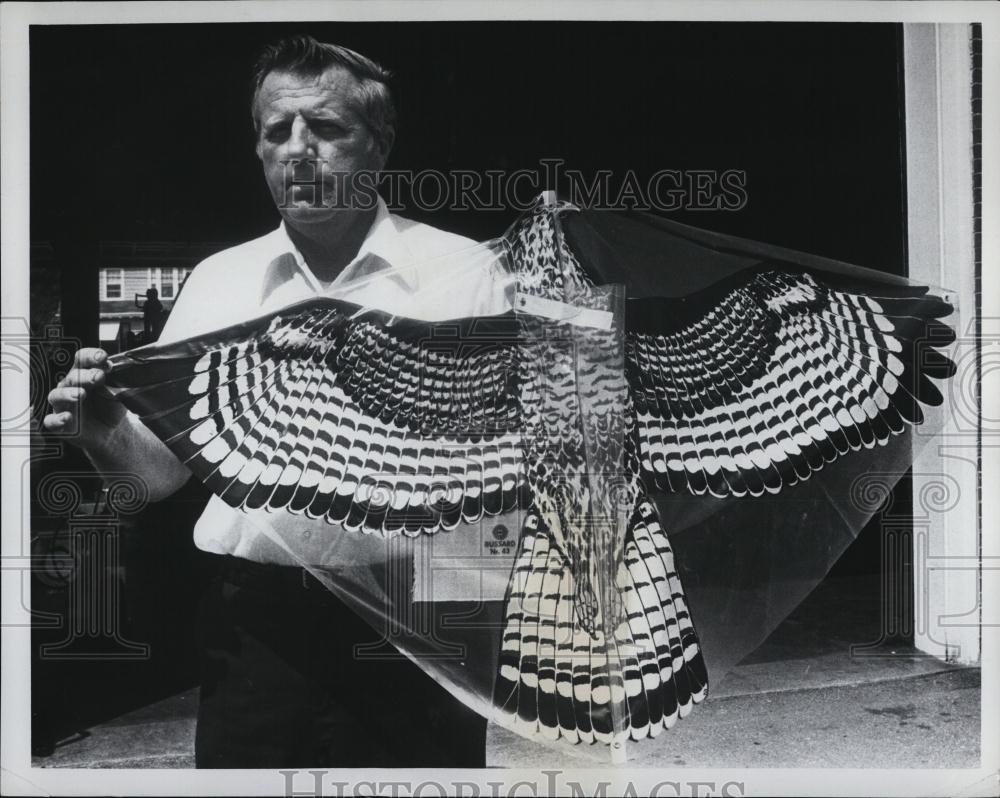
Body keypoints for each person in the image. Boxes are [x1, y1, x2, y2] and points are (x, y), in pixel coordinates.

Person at [43, 35, 510, 768]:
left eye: (326, 128)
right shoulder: (218, 282)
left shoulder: (467, 273)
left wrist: (472, 629)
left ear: (379, 143)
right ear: (256, 148)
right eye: (275, 130)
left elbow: (505, 469)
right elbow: (159, 478)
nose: (298, 150)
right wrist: (104, 433)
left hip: (414, 620)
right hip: (257, 630)